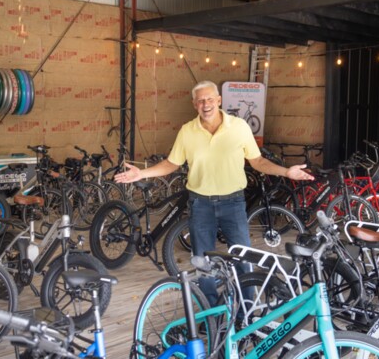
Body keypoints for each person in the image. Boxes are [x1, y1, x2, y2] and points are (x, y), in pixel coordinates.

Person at [114, 80, 314, 306]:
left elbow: (257, 161)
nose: (205, 104)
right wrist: (141, 174)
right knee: (203, 262)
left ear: (219, 101)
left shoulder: (239, 127)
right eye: (200, 100)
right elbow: (171, 163)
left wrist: (287, 171)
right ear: (194, 104)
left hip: (234, 203)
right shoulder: (187, 131)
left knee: (243, 258)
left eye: (210, 99)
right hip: (201, 206)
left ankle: (246, 309)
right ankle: (210, 312)